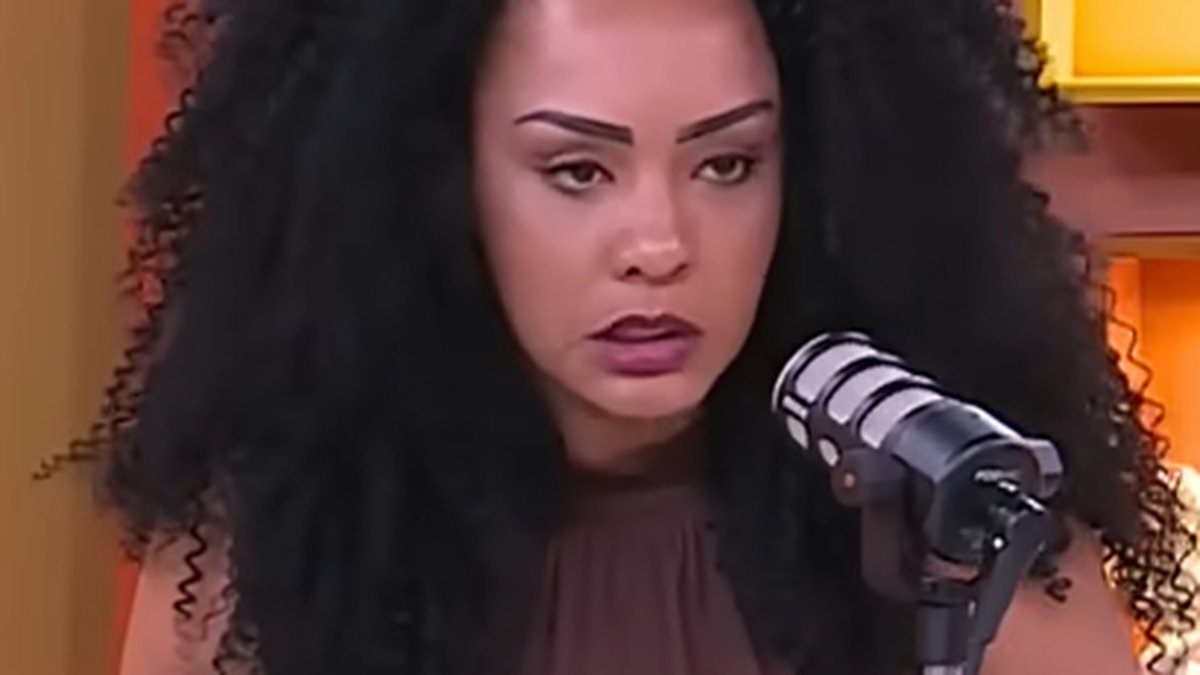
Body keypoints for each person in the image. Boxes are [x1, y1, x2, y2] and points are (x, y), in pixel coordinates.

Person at [59, 0, 1195, 673]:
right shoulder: (268, 553)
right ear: (440, 180)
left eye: (727, 163)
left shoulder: (955, 518)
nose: (659, 244)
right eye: (577, 171)